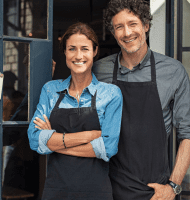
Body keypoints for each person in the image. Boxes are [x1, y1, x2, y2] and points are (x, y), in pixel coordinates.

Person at [92, 0, 190, 199]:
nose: (127, 33)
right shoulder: (98, 71)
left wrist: (172, 187)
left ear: (146, 26)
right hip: (107, 188)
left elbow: (188, 133)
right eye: (119, 27)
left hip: (154, 191)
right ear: (113, 33)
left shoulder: (173, 71)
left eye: (132, 24)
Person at [27, 22, 123, 200]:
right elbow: (34, 139)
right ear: (64, 52)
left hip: (96, 192)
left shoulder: (110, 94)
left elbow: (107, 148)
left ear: (94, 51)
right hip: (56, 190)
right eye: (72, 49)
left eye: (85, 49)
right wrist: (90, 136)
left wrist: (54, 141)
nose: (79, 55)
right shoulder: (50, 90)